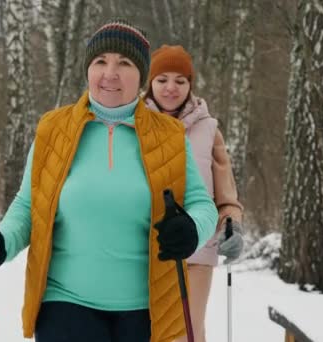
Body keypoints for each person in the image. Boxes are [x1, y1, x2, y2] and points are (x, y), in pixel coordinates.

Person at [0, 19, 218, 342]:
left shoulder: (168, 136)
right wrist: (2, 242)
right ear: (88, 70)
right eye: (100, 61)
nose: (110, 73)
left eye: (124, 63)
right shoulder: (53, 129)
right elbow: (29, 205)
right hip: (66, 303)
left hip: (148, 310)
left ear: (142, 76)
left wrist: (191, 229)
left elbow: (202, 205)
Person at [143, 45, 245, 342]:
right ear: (150, 83)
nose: (171, 88)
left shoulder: (209, 129)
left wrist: (231, 225)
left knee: (187, 332)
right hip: (147, 250)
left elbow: (227, 197)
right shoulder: (134, 124)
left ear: (190, 85)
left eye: (180, 80)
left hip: (198, 251)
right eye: (162, 80)